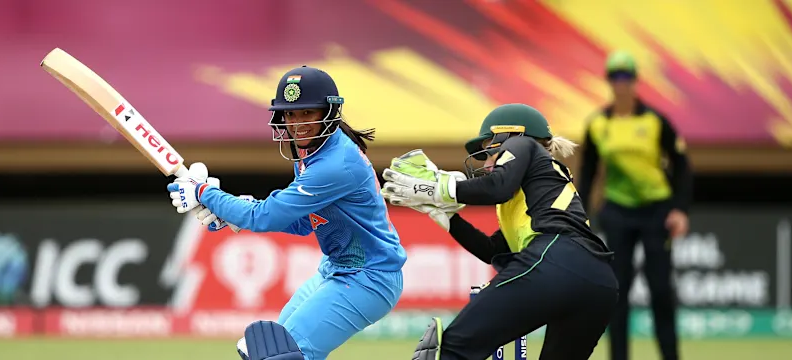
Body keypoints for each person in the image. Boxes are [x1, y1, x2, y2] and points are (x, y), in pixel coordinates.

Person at [166, 65, 406, 360]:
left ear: (329, 113)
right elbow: (305, 222)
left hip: (367, 278)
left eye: (307, 113)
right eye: (291, 114)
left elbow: (266, 216)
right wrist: (235, 211)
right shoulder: (313, 152)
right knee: (262, 351)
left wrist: (205, 194)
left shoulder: (335, 164)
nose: (297, 123)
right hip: (337, 270)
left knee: (283, 355)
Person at [382, 103, 618, 360]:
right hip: (600, 282)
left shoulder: (522, 144)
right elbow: (491, 250)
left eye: (491, 152)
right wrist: (445, 215)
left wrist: (439, 189)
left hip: (557, 257)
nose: (487, 163)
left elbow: (498, 187)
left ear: (510, 135)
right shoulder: (536, 191)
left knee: (450, 349)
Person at [577, 51, 692, 360]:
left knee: (660, 291)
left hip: (656, 211)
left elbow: (681, 164)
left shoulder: (654, 121)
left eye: (626, 76)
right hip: (617, 212)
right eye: (615, 77)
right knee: (617, 293)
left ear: (635, 81)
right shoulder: (598, 124)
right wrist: (580, 218)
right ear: (609, 81)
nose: (621, 83)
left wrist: (679, 208)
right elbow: (588, 173)